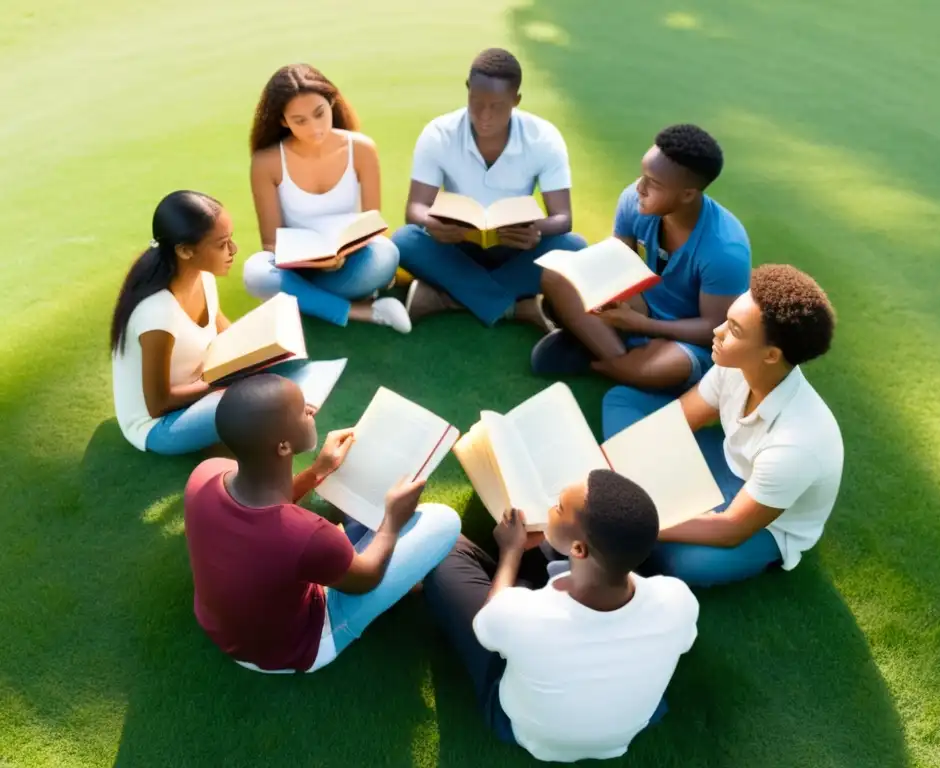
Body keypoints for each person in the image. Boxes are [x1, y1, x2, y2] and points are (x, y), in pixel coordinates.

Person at [183, 373, 462, 673]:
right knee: (444, 520)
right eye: (302, 410)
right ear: (284, 447)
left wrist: (318, 471)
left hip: (225, 627)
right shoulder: (307, 534)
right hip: (293, 649)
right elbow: (366, 579)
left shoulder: (206, 473)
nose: (311, 411)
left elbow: (264, 507)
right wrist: (393, 521)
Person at [424, 470, 699, 762]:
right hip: (622, 732)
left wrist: (511, 550)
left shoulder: (526, 615)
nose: (550, 509)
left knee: (443, 554)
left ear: (578, 549)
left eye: (558, 508)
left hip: (527, 730)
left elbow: (489, 623)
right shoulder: (678, 599)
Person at [602, 264, 843, 587]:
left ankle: (655, 506)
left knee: (687, 564)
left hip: (764, 519)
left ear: (771, 355)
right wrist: (606, 463)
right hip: (722, 458)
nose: (716, 332)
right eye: (726, 320)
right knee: (621, 401)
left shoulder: (797, 444)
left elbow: (731, 529)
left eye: (734, 330)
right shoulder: (733, 365)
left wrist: (633, 521)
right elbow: (676, 423)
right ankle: (657, 496)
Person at [110, 190, 345, 456]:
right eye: (222, 244)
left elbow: (228, 334)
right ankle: (284, 414)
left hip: (202, 384)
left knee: (289, 360)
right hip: (159, 426)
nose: (233, 250)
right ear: (185, 251)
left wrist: (266, 349)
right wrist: (225, 383)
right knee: (243, 402)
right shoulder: (158, 314)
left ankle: (283, 404)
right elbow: (158, 403)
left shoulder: (203, 279)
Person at [533, 124, 751, 396]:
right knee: (555, 276)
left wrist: (644, 326)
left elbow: (714, 329)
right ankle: (623, 358)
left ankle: (601, 355)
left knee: (668, 366)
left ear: (687, 194)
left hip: (686, 336)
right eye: (643, 175)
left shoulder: (725, 249)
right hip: (639, 306)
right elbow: (616, 265)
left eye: (654, 183)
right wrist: (594, 292)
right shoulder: (634, 201)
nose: (640, 187)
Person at [392, 48, 587, 329]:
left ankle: (444, 300)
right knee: (405, 240)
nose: (484, 115)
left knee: (574, 247)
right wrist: (430, 221)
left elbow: (563, 218)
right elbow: (415, 209)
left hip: (516, 248)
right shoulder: (438, 133)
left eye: (497, 106)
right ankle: (518, 307)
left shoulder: (544, 138)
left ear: (516, 100)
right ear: (468, 89)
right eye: (476, 101)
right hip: (457, 245)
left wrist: (535, 230)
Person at [243, 63, 410, 333]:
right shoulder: (266, 162)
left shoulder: (362, 148)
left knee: (386, 254)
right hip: (297, 266)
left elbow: (372, 225)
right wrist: (314, 261)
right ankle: (361, 311)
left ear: (331, 102)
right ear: (283, 121)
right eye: (300, 121)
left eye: (320, 114)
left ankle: (300, 299)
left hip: (350, 261)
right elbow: (270, 243)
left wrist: (343, 255)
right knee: (256, 272)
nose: (315, 127)